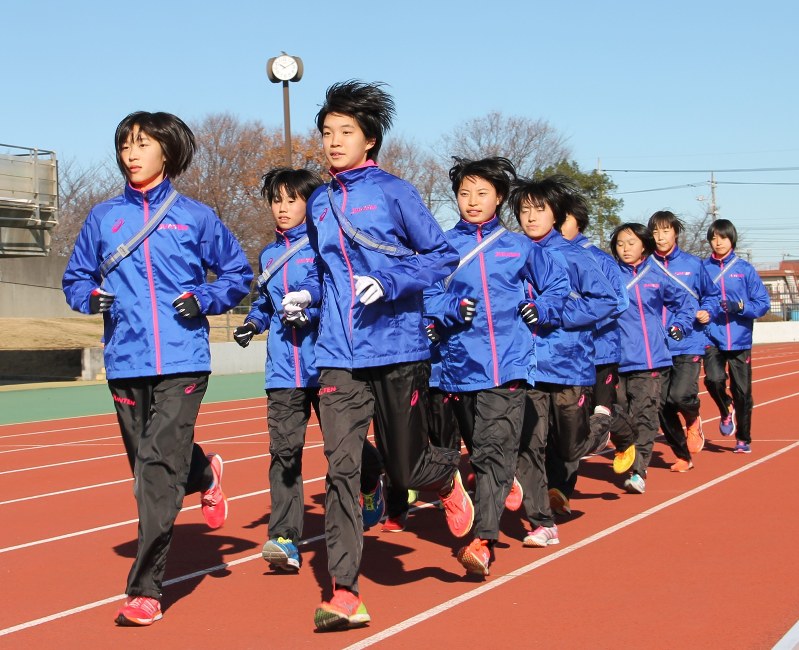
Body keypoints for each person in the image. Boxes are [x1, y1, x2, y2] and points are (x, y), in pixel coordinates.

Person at [280, 81, 474, 631]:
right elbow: (323, 272)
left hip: (398, 348)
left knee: (406, 466)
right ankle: (346, 592)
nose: (334, 142)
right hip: (338, 353)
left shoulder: (395, 193)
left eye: (346, 132)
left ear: (369, 139)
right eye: (327, 133)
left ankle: (446, 478)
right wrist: (308, 296)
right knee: (341, 470)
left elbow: (441, 256)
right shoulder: (318, 202)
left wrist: (388, 282)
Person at [62, 111, 253, 626]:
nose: (131, 152)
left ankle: (146, 589)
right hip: (125, 359)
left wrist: (207, 298)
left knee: (152, 475)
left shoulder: (195, 217)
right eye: (125, 144)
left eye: (142, 144)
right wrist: (91, 297)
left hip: (183, 359)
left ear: (165, 152)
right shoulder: (104, 218)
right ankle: (203, 469)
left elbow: (238, 273)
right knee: (149, 465)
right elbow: (74, 279)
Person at [232, 168, 385, 573]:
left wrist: (310, 312)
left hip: (329, 365)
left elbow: (336, 296)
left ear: (311, 205)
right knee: (284, 453)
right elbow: (266, 301)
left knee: (342, 449)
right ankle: (284, 537)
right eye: (276, 201)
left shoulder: (326, 248)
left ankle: (371, 481)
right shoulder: (267, 254)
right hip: (283, 372)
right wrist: (253, 322)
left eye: (291, 200)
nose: (282, 208)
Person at [424, 158, 569, 575]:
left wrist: (539, 308)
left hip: (508, 364)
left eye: (482, 193)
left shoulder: (519, 246)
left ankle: (483, 541)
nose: (472, 202)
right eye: (464, 194)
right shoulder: (442, 246)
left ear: (499, 197)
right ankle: (501, 485)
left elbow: (557, 287)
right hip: (457, 365)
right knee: (478, 451)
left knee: (490, 451)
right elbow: (427, 294)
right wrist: (449, 308)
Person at [508, 176, 619, 546]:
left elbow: (607, 302)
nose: (530, 217)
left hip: (568, 361)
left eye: (538, 210)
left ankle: (606, 423)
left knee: (570, 447)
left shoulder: (576, 255)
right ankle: (543, 521)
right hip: (525, 366)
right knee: (530, 443)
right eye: (523, 211)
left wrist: (556, 313)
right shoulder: (511, 252)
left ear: (555, 213)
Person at [547, 185, 636, 516]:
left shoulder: (597, 258)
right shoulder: (544, 255)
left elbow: (618, 302)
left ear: (576, 221)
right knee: (569, 423)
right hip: (564, 355)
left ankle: (624, 436)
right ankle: (560, 490)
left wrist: (574, 312)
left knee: (594, 415)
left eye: (561, 218)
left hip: (600, 351)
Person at [610, 223, 694, 494]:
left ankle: (638, 471)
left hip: (651, 358)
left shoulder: (657, 274)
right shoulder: (607, 274)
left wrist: (679, 326)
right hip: (615, 357)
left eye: (631, 243)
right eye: (620, 243)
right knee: (618, 413)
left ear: (644, 245)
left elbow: (686, 303)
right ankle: (626, 447)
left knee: (645, 415)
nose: (625, 249)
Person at [649, 210, 721, 470]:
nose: (660, 237)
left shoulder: (694, 265)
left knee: (679, 396)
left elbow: (711, 296)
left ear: (675, 232)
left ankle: (692, 418)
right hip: (656, 345)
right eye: (655, 232)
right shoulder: (647, 265)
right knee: (660, 403)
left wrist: (707, 311)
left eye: (665, 231)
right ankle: (682, 455)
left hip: (689, 340)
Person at [702, 219, 770, 454]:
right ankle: (724, 407)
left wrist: (739, 306)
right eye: (713, 237)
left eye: (722, 237)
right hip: (712, 337)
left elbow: (762, 303)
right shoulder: (703, 269)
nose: (717, 242)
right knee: (713, 380)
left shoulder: (744, 269)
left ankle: (743, 438)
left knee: (743, 392)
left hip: (740, 338)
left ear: (732, 239)